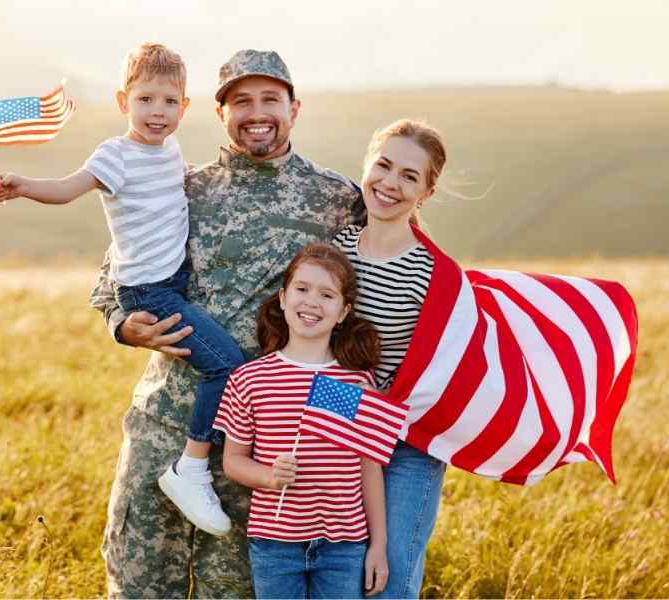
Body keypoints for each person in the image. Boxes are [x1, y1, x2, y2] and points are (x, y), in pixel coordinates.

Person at [89, 49, 364, 598]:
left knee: (232, 591)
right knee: (138, 585)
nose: (256, 112)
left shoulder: (336, 199)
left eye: (270, 100)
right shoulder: (180, 187)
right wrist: (125, 325)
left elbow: (365, 300)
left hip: (260, 446)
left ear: (294, 109)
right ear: (220, 114)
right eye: (241, 101)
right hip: (164, 427)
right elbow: (110, 277)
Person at [0, 42, 244, 537]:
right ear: (123, 100)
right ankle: (190, 468)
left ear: (185, 108)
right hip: (148, 291)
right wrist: (21, 184)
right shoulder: (116, 155)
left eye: (170, 102)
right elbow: (67, 188)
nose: (157, 112)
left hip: (173, 280)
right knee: (227, 364)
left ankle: (195, 465)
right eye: (146, 99)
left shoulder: (169, 151)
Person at [214, 243, 388, 599]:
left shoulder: (354, 382)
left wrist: (379, 545)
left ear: (343, 312)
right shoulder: (251, 379)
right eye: (302, 289)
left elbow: (369, 467)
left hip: (344, 544)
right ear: (282, 297)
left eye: (327, 295)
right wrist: (268, 476)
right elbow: (232, 461)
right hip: (275, 544)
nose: (312, 302)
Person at [333, 119, 448, 599]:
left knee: (390, 581)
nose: (389, 184)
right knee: (337, 577)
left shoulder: (435, 274)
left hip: (406, 445)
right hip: (336, 432)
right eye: (383, 166)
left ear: (426, 192)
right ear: (366, 165)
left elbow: (444, 371)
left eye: (408, 176)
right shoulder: (335, 253)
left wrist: (379, 400)